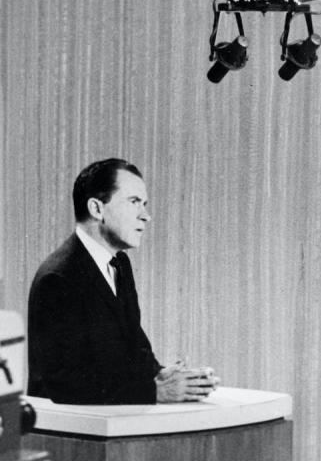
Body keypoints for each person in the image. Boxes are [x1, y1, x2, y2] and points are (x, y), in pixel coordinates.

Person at [27, 158, 218, 404]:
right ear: (97, 209)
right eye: (134, 202)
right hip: (70, 434)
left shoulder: (119, 264)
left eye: (144, 204)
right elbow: (61, 381)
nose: (146, 216)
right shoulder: (58, 278)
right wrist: (154, 392)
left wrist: (160, 374)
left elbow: (133, 343)